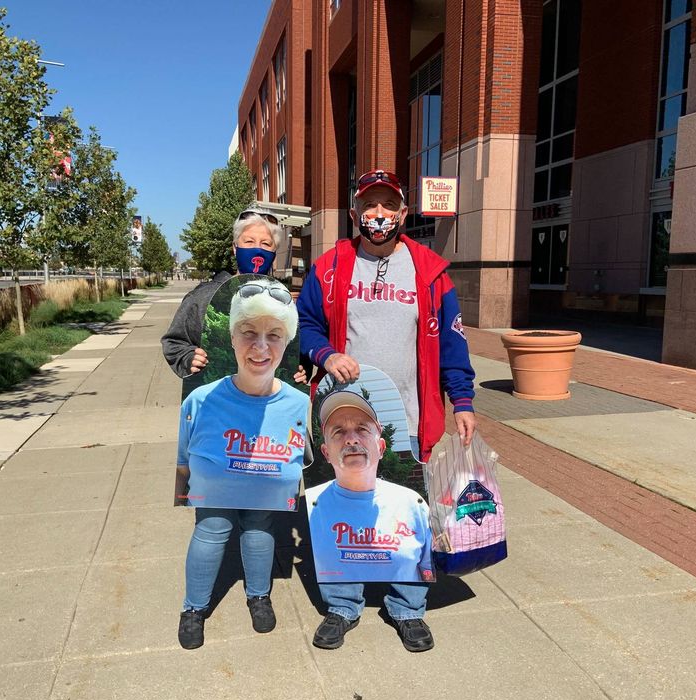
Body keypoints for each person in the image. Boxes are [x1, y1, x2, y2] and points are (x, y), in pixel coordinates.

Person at [297, 169, 476, 462]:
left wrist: (463, 401)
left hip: (407, 422)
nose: (379, 213)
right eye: (369, 205)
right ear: (354, 216)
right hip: (344, 422)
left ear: (403, 214)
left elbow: (451, 343)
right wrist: (326, 355)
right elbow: (303, 323)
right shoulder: (328, 268)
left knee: (403, 506)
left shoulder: (431, 273)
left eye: (389, 205)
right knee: (343, 506)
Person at [175, 279, 308, 650]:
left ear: (287, 342)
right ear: (232, 337)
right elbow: (185, 451)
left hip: (263, 492)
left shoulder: (299, 405)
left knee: (259, 526)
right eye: (249, 333)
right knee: (212, 528)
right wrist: (185, 487)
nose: (261, 347)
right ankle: (193, 608)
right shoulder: (202, 399)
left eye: (275, 335)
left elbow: (308, 457)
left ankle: (259, 595)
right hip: (215, 490)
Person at [307, 389, 435, 652]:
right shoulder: (316, 502)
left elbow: (422, 560)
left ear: (381, 447)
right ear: (326, 452)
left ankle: (408, 609)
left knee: (409, 547)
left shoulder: (410, 501)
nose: (351, 440)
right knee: (333, 548)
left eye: (363, 430)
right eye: (338, 432)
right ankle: (341, 606)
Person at [161, 207, 282, 377]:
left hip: (266, 398)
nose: (257, 249)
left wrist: (297, 372)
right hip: (216, 395)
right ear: (235, 247)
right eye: (249, 242)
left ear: (274, 252)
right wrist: (189, 359)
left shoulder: (282, 301)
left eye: (266, 243)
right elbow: (175, 341)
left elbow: (290, 350)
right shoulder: (204, 296)